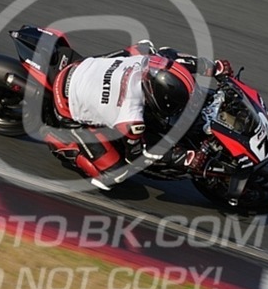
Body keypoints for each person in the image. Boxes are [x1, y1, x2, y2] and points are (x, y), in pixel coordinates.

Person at [42, 40, 233, 190]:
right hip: (66, 103)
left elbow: (174, 58)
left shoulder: (152, 62)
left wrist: (214, 68)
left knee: (143, 49)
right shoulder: (130, 116)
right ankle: (61, 142)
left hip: (84, 67)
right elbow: (138, 155)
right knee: (115, 174)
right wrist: (185, 158)